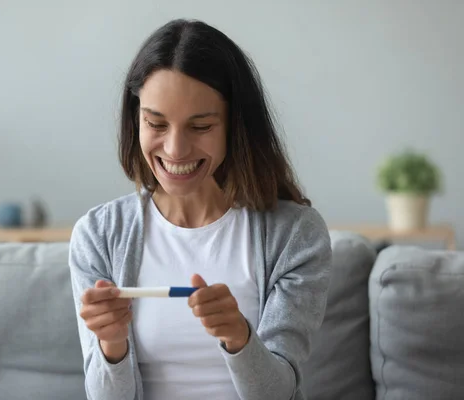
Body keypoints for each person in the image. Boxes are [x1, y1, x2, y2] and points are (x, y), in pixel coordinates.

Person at [69, 18, 332, 400]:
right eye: (156, 123)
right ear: (136, 120)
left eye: (201, 127)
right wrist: (111, 345)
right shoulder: (99, 235)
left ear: (234, 126)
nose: (175, 150)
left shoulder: (295, 236)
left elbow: (278, 393)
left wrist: (239, 338)